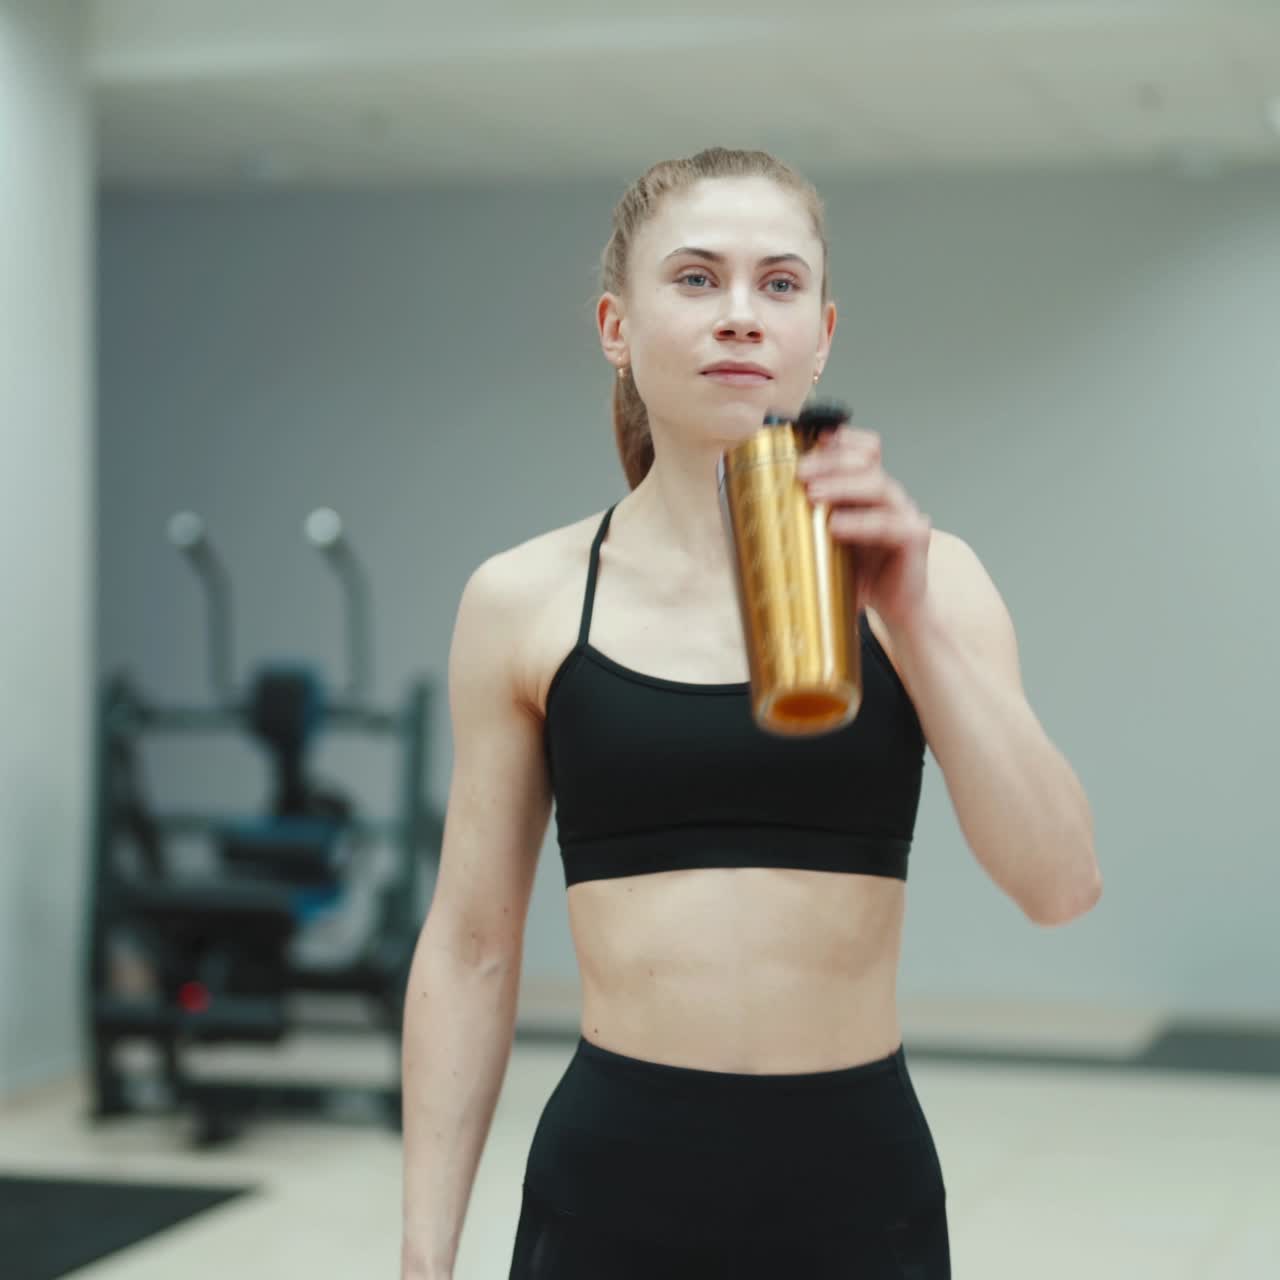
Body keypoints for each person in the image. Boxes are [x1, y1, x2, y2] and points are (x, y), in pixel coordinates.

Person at [400, 146, 1101, 1279]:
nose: (739, 314)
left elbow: (1058, 883)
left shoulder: (935, 578)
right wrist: (422, 1253)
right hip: (607, 1192)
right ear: (614, 325)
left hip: (854, 1192)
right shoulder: (523, 599)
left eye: (776, 284)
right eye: (693, 278)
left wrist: (909, 611)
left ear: (820, 332)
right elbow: (472, 947)